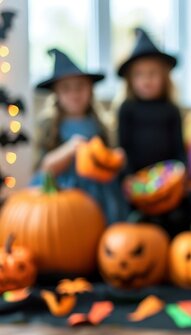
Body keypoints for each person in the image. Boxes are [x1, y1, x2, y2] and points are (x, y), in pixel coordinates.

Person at [117, 28, 191, 236]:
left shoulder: (171, 110)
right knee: (131, 212)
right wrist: (128, 178)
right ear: (131, 80)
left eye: (153, 73)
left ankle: (171, 232)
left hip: (168, 182)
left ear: (165, 77)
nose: (146, 80)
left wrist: (184, 173)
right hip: (139, 183)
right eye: (140, 74)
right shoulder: (127, 109)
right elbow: (123, 147)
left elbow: (178, 147)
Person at [33, 48, 128, 224]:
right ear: (57, 95)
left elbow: (106, 160)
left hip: (101, 190)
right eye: (66, 89)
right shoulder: (50, 127)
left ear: (90, 90)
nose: (75, 94)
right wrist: (70, 149)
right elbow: (45, 169)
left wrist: (115, 159)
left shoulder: (100, 124)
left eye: (80, 87)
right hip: (67, 190)